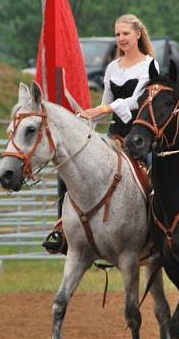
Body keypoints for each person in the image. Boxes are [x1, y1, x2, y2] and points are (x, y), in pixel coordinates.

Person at [42, 13, 157, 253]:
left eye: (125, 33)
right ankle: (64, 227)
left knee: (155, 177)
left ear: (137, 34)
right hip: (115, 136)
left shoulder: (150, 65)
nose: (121, 38)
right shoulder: (112, 67)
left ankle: (159, 228)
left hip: (142, 137)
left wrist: (103, 109)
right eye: (117, 34)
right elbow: (105, 104)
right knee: (71, 165)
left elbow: (138, 100)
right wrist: (83, 121)